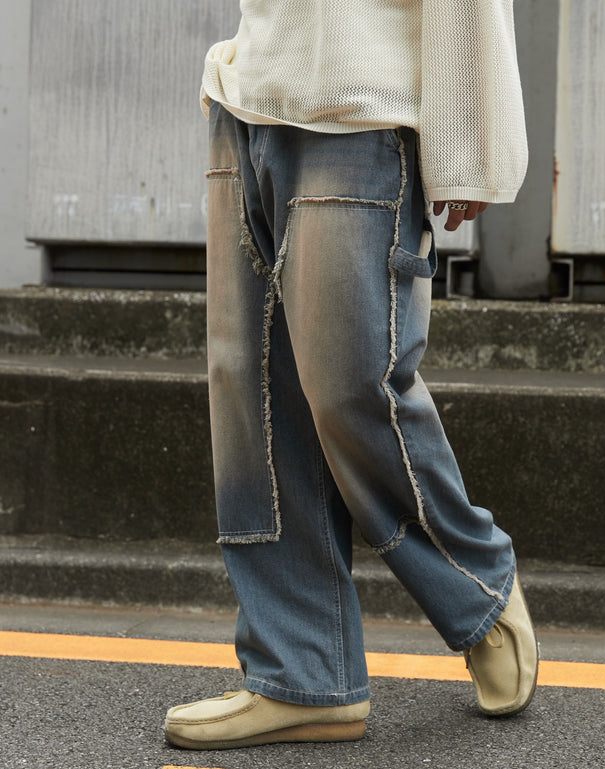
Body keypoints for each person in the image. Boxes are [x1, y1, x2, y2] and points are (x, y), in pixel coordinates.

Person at [165, 0, 538, 750]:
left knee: (353, 387)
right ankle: (301, 674)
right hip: (246, 101)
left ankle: (476, 585)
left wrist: (468, 144)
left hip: (363, 110)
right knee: (253, 405)